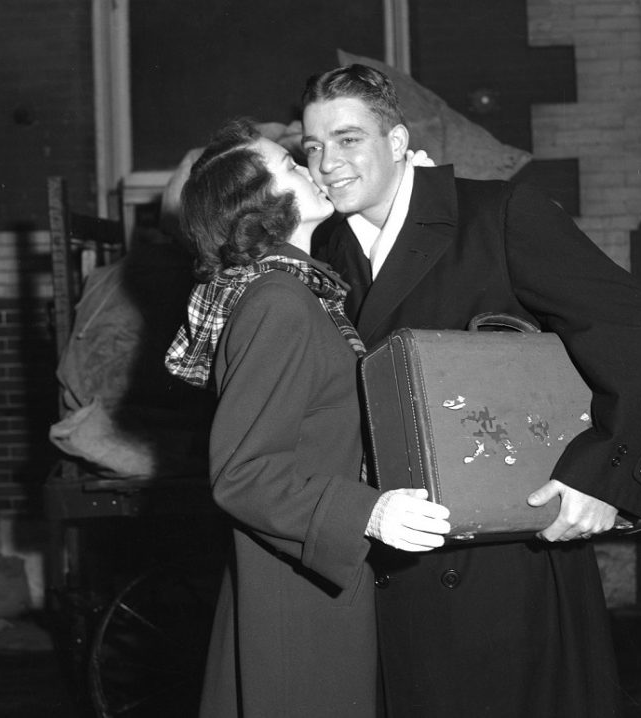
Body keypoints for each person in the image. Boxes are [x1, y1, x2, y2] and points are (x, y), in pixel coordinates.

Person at [301, 64, 641, 718]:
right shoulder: (323, 245)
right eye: (313, 146)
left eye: (348, 139)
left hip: (508, 569)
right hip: (383, 565)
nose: (327, 161)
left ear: (396, 142)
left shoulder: (494, 214)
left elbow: (636, 326)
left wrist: (602, 476)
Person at [165, 118, 452, 718]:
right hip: (301, 591)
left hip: (317, 570)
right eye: (292, 164)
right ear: (259, 205)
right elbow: (243, 475)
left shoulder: (295, 290)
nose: (314, 168)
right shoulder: (278, 302)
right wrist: (368, 511)